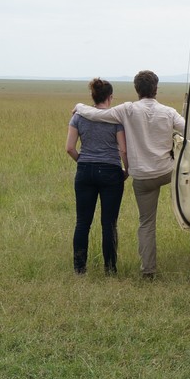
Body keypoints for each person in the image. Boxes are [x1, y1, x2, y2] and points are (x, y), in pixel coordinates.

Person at [74, 70, 190, 279]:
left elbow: (97, 114)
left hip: (143, 176)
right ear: (156, 89)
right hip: (167, 171)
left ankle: (148, 271)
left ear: (136, 90)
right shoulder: (169, 111)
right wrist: (173, 135)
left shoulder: (127, 110)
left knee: (146, 223)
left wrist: (80, 107)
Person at [65, 78, 128, 275]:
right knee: (109, 223)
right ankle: (110, 269)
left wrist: (83, 162)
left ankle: (79, 268)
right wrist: (126, 170)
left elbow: (69, 148)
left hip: (85, 170)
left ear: (93, 96)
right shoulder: (115, 119)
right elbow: (123, 150)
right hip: (110, 171)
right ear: (110, 98)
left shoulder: (78, 117)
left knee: (83, 222)